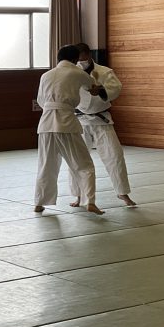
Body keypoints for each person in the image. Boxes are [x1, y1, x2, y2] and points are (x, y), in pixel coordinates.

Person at [34, 44, 102, 215]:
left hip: (45, 124)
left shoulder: (45, 75)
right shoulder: (77, 72)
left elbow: (41, 101)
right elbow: (92, 88)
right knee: (84, 165)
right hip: (66, 123)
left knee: (46, 165)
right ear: (75, 59)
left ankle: (39, 202)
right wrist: (97, 88)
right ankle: (90, 201)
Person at [70, 43, 137, 208]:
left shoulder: (104, 72)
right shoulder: (71, 73)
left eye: (83, 58)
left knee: (115, 155)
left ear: (89, 55)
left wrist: (101, 90)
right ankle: (79, 195)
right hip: (79, 121)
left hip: (102, 120)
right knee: (77, 159)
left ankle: (122, 192)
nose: (81, 62)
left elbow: (116, 88)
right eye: (78, 59)